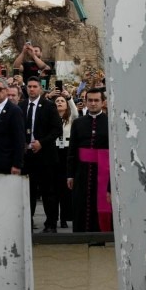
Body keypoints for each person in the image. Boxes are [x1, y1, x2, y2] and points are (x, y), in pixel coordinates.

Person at [22, 77, 63, 232]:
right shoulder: (22, 105)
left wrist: (42, 142)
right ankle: (28, 222)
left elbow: (56, 130)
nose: (31, 89)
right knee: (29, 192)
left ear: (40, 88)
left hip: (45, 156)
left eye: (34, 86)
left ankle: (51, 224)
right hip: (28, 156)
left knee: (48, 192)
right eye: (29, 86)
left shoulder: (49, 106)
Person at [68, 88, 111, 232]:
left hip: (104, 171)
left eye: (96, 100)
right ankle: (80, 235)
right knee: (81, 203)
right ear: (85, 102)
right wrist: (70, 174)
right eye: (90, 100)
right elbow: (72, 150)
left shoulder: (110, 122)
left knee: (101, 204)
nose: (93, 104)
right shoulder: (78, 123)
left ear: (103, 102)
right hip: (82, 171)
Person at [54, 93, 78, 230]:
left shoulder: (71, 118)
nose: (59, 103)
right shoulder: (51, 118)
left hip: (67, 152)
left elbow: (75, 112)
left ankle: (64, 218)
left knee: (65, 189)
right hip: (55, 150)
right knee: (55, 188)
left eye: (62, 101)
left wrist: (69, 99)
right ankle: (53, 217)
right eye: (57, 101)